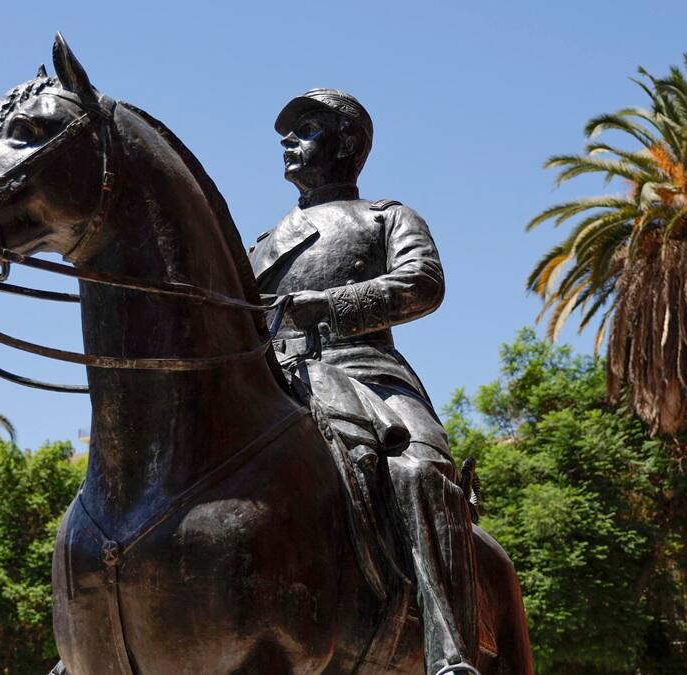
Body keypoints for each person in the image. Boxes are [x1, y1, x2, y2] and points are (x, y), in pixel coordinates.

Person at [249, 88, 478, 675]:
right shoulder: (260, 246)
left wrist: (330, 305)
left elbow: (423, 283)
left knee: (420, 471)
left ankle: (450, 653)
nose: (288, 141)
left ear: (347, 143)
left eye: (306, 128)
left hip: (365, 371)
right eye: (287, 132)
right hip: (276, 379)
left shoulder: (388, 216)